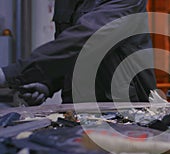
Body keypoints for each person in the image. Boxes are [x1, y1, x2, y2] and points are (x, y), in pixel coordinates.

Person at [0, 0, 156, 106]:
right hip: (76, 106)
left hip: (123, 107)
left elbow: (87, 39)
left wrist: (12, 74)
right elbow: (68, 50)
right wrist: (48, 83)